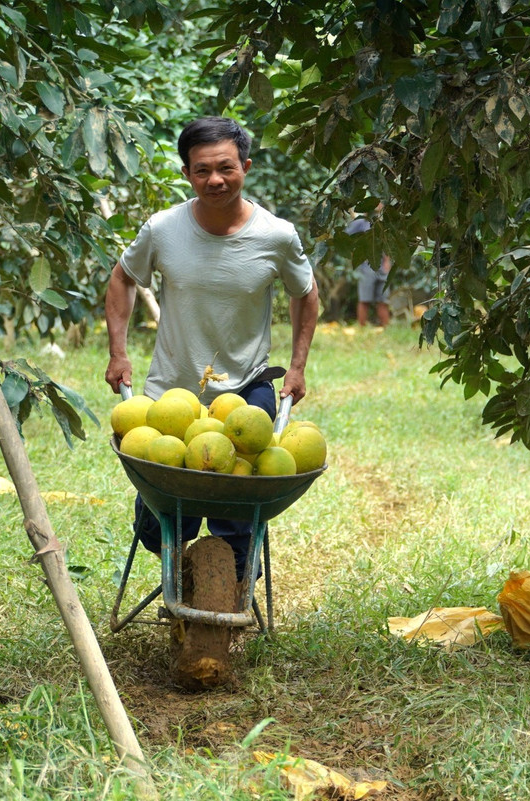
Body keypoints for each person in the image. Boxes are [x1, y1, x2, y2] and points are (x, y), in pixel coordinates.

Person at [104, 116, 320, 581]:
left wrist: (297, 367)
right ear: (186, 174)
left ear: (245, 165)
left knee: (238, 512)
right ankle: (181, 570)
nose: (215, 180)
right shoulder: (163, 229)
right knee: (160, 522)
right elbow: (122, 278)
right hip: (170, 397)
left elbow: (305, 293)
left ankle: (233, 586)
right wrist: (118, 352)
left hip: (245, 391)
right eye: (202, 170)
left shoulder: (276, 235)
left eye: (225, 167)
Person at [346, 216, 391, 326]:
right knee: (365, 299)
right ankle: (362, 328)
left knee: (384, 300)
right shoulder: (362, 222)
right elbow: (346, 237)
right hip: (366, 267)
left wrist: (387, 260)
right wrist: (356, 255)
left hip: (382, 267)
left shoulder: (385, 221)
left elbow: (388, 242)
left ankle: (385, 328)